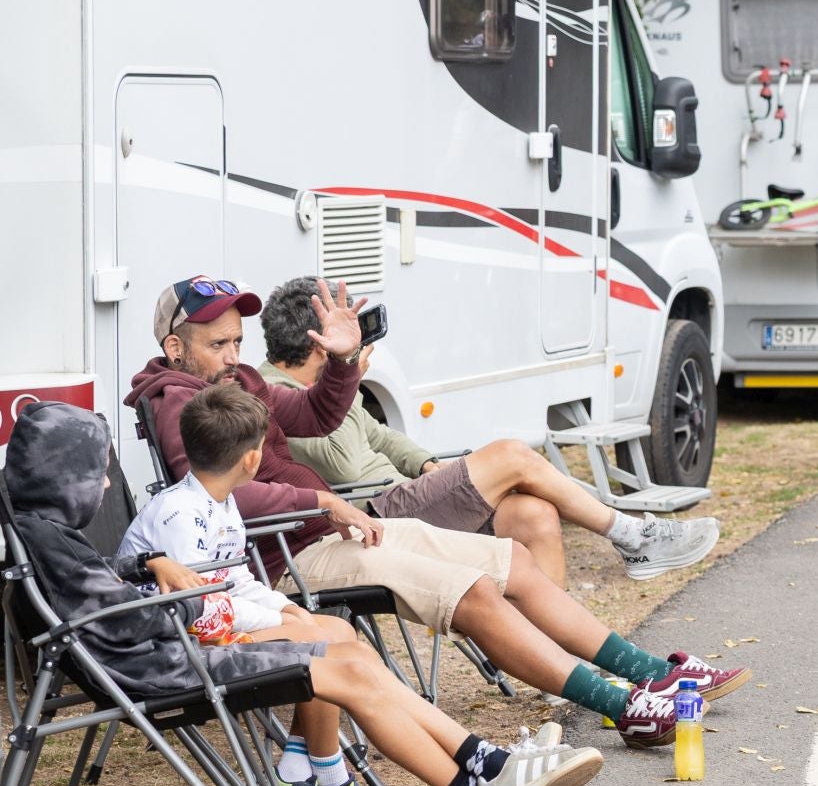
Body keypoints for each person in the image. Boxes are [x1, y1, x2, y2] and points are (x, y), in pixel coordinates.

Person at [125, 277, 750, 751]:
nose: (233, 355)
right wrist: (319, 498)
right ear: (175, 346)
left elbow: (317, 416)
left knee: (512, 563)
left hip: (337, 527)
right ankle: (618, 702)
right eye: (217, 344)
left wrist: (343, 361)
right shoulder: (177, 401)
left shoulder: (242, 386)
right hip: (287, 555)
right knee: (472, 592)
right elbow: (203, 492)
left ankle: (648, 674)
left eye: (237, 340)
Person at [5, 401, 604, 786]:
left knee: (348, 655)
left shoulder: (42, 532)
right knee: (344, 664)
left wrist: (147, 560)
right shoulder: (51, 542)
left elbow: (109, 588)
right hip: (171, 658)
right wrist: (184, 596)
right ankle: (480, 782)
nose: (110, 481)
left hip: (171, 641)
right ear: (66, 478)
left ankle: (486, 770)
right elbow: (120, 619)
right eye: (98, 472)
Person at [255, 276, 717, 586]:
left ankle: (553, 658)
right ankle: (632, 535)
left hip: (404, 494)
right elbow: (344, 462)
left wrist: (427, 464)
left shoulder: (326, 382)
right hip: (368, 514)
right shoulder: (270, 392)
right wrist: (347, 372)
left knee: (535, 515)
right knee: (511, 454)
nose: (353, 335)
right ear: (316, 341)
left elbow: (378, 436)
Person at [119, 383, 393, 786]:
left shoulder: (218, 502)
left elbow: (237, 578)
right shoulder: (180, 516)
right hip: (178, 642)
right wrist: (279, 620)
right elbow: (203, 608)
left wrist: (287, 610)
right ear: (251, 460)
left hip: (210, 627)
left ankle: (298, 773)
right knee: (322, 643)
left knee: (336, 633)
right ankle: (331, 776)